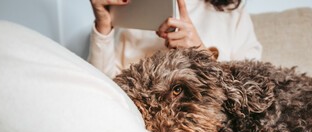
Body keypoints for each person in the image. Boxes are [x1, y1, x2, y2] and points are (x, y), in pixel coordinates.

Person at [88, 0, 262, 79]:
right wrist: (103, 25)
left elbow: (253, 82)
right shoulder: (131, 10)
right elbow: (104, 86)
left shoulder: (233, 13)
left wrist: (202, 52)